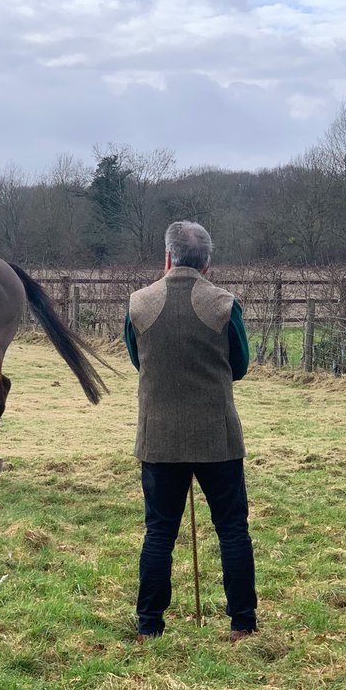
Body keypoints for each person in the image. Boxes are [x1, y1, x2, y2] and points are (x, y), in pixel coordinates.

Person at [123, 221, 258, 641]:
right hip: (217, 437)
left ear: (167, 257)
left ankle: (149, 626)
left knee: (159, 533)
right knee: (232, 529)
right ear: (207, 263)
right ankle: (242, 625)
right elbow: (240, 366)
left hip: (159, 438)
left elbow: (138, 360)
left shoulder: (138, 304)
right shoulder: (224, 304)